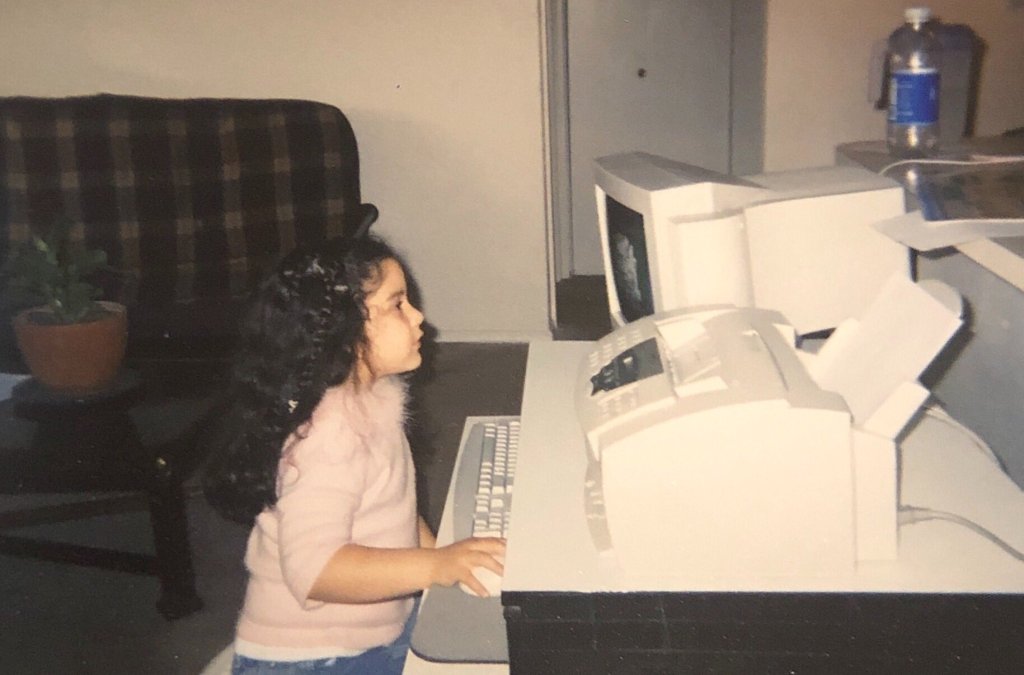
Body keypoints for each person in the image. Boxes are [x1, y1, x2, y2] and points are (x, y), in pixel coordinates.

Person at [203, 234, 506, 675]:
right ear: (343, 331)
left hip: (372, 636)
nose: (420, 318)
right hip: (313, 661)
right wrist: (436, 565)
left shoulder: (374, 397)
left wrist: (446, 556)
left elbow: (394, 510)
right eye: (398, 305)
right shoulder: (330, 436)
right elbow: (317, 571)